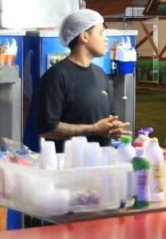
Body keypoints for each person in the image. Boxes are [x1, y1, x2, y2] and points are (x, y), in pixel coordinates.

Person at [35, 9, 128, 150]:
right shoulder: (56, 76)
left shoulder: (100, 74)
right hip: (70, 161)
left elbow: (109, 117)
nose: (106, 39)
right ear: (84, 36)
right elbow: (47, 129)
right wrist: (94, 129)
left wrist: (113, 128)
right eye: (101, 33)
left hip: (100, 159)